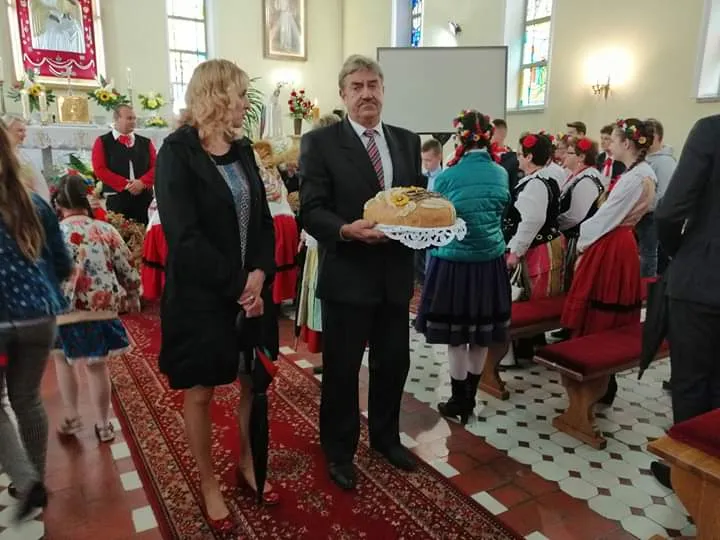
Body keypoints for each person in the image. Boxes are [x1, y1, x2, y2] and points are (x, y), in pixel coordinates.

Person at [155, 59, 278, 532]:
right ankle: (208, 483)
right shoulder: (177, 152)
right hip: (202, 296)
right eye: (241, 94)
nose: (246, 103)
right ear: (216, 95)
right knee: (201, 390)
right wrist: (239, 284)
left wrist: (259, 274)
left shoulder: (242, 149)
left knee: (252, 381)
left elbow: (264, 220)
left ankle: (247, 463)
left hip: (251, 292)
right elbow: (184, 237)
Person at [299, 54, 424, 490]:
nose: (366, 93)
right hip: (348, 274)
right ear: (343, 94)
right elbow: (311, 210)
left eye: (373, 85)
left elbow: (415, 201)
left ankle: (386, 439)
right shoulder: (321, 143)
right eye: (357, 86)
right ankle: (339, 451)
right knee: (342, 370)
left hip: (394, 275)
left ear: (383, 90)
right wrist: (345, 230)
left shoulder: (407, 141)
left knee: (394, 364)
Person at [414, 110, 511, 424]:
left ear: (460, 139)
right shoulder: (500, 173)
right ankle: (470, 397)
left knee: (456, 337)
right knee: (480, 336)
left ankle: (458, 400)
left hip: (454, 264)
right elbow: (502, 210)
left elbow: (436, 219)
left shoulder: (447, 176)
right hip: (489, 263)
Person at [0, 125, 71, 521]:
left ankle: (27, 482)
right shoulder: (36, 204)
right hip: (39, 317)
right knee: (26, 398)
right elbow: (62, 263)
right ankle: (37, 479)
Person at [561, 119, 656, 404]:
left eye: (613, 140)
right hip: (622, 242)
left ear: (627, 143)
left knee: (599, 312)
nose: (609, 145)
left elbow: (606, 217)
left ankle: (597, 382)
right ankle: (603, 381)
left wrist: (583, 243)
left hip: (611, 244)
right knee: (608, 310)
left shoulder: (633, 178)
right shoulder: (643, 173)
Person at [652, 114, 720, 487]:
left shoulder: (712, 129)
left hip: (703, 279)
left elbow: (669, 211)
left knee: (692, 382)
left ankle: (690, 478)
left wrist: (682, 252)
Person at [51, 175, 140, 443]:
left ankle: (72, 416)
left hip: (62, 311)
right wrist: (132, 294)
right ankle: (103, 425)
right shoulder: (105, 230)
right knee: (96, 366)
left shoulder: (50, 234)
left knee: (63, 361)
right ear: (88, 199)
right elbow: (126, 267)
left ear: (58, 204)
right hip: (100, 308)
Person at [505, 133, 564, 300]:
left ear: (529, 157)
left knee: (539, 298)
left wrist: (516, 252)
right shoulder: (540, 179)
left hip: (538, 250)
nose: (517, 158)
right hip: (537, 246)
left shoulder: (536, 184)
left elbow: (532, 221)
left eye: (519, 154)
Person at [91, 105, 156, 224]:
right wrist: (126, 184)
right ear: (116, 119)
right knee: (120, 232)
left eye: (134, 118)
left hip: (144, 196)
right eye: (129, 118)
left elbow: (156, 167)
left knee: (145, 231)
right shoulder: (103, 142)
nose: (133, 121)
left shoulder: (145, 142)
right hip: (117, 197)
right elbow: (100, 169)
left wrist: (142, 182)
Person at [558, 136, 605, 291]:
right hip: (573, 236)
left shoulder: (587, 180)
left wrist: (554, 225)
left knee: (574, 283)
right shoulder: (578, 176)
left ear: (581, 157)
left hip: (578, 239)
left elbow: (575, 216)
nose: (564, 155)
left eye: (570, 153)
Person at [645, 118, 677, 275]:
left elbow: (663, 195)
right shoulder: (644, 158)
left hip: (653, 218)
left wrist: (641, 208)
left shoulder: (665, 162)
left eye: (649, 134)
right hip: (642, 218)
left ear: (658, 137)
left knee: (652, 262)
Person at [1, 114, 51, 201]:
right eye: (20, 131)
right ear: (5, 131)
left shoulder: (20, 153)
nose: (24, 135)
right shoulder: (4, 156)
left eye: (25, 131)